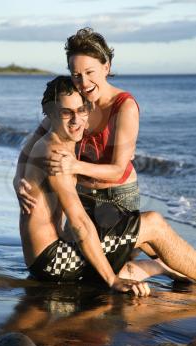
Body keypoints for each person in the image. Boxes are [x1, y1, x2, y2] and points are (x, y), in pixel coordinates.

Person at [16, 75, 196, 298]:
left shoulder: (54, 137)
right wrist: (112, 281)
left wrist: (18, 178)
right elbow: (80, 223)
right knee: (153, 224)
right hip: (53, 261)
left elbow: (27, 146)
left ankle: (165, 268)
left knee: (134, 231)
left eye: (81, 110)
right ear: (50, 114)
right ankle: (158, 268)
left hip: (45, 257)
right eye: (66, 113)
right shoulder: (56, 155)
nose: (76, 120)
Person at [13, 28, 154, 259]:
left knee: (116, 262)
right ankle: (162, 266)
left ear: (106, 67)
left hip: (117, 197)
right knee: (96, 266)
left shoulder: (124, 107)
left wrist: (75, 166)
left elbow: (118, 169)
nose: (83, 82)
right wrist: (19, 179)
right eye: (76, 74)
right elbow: (32, 142)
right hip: (84, 197)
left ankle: (166, 266)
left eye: (90, 72)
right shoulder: (76, 100)